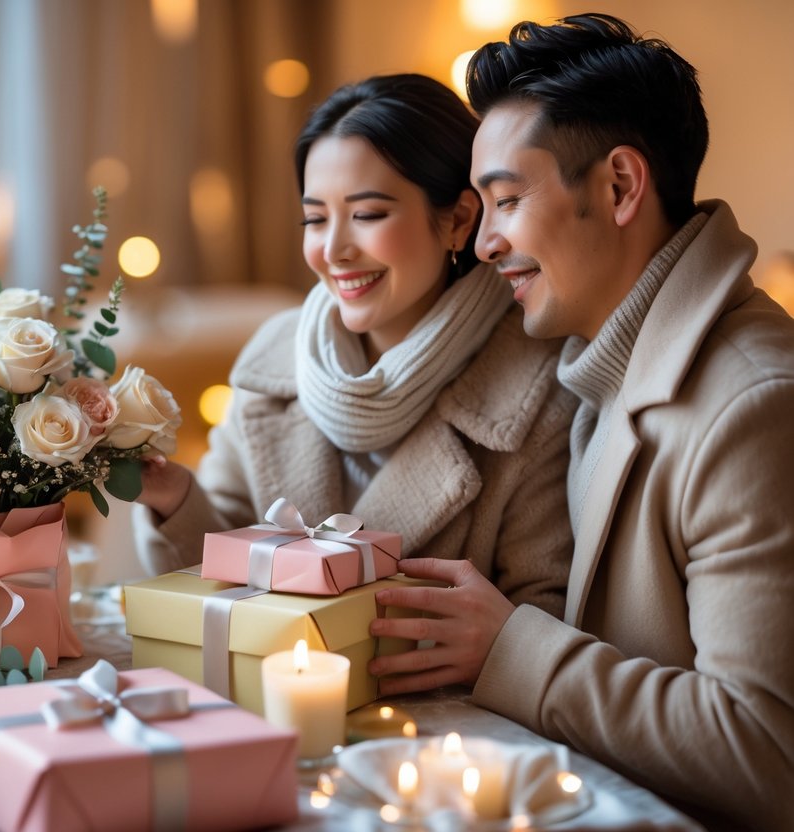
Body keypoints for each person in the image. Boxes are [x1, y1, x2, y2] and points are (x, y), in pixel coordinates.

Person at [368, 14, 794, 831]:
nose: (484, 243)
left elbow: (765, 756)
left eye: (505, 200)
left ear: (619, 186)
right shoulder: (597, 371)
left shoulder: (753, 404)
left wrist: (511, 648)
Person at [133, 73, 577, 618]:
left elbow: (543, 611)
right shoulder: (276, 356)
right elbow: (223, 564)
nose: (334, 249)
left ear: (459, 220)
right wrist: (175, 499)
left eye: (367, 215)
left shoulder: (536, 389)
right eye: (315, 219)